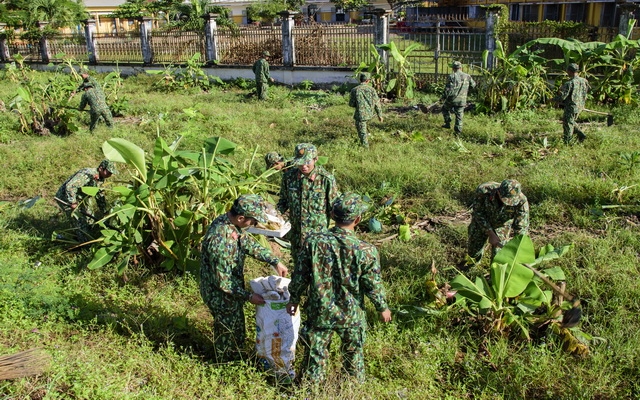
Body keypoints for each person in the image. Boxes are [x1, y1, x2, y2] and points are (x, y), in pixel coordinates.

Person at [286, 192, 392, 383]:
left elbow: (300, 275)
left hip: (320, 310)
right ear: (358, 219)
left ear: (333, 216)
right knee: (353, 358)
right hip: (351, 313)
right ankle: (352, 390)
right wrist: (382, 307)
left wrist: (293, 298)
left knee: (315, 357)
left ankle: (311, 392)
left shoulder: (313, 242)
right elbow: (372, 284)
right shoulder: (366, 250)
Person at [200, 194, 289, 362]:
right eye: (253, 221)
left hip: (230, 291)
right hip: (220, 295)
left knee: (238, 329)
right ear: (241, 218)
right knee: (228, 332)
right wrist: (249, 296)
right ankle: (226, 365)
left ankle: (235, 357)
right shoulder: (219, 241)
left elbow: (247, 243)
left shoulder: (231, 224)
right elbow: (223, 283)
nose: (255, 225)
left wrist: (274, 261)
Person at [277, 143, 340, 263]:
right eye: (300, 162)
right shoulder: (289, 177)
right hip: (296, 235)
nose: (304, 166)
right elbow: (283, 202)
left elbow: (334, 208)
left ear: (315, 159)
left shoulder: (326, 179)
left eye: (307, 162)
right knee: (298, 269)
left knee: (317, 270)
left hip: (317, 237)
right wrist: (274, 217)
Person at [467, 179, 530, 263]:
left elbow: (521, 226)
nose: (508, 204)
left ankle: (494, 274)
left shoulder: (521, 201)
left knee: (499, 256)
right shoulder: (484, 191)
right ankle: (474, 262)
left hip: (502, 224)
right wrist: (490, 233)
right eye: (506, 200)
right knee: (473, 252)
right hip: (482, 221)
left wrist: (519, 246)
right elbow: (478, 213)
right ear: (499, 192)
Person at [55, 160, 117, 241]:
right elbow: (70, 187)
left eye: (111, 173)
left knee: (90, 219)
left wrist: (104, 211)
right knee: (79, 221)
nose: (110, 175)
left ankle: (87, 234)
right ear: (101, 168)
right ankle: (82, 242)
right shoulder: (87, 174)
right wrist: (72, 202)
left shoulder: (101, 178)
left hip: (80, 198)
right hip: (66, 198)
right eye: (108, 172)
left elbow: (99, 195)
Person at [553, 63, 590, 144]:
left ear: (569, 71)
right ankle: (581, 135)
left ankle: (567, 141)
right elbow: (586, 92)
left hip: (571, 106)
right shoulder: (584, 81)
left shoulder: (569, 83)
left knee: (568, 124)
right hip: (580, 106)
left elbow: (562, 97)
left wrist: (552, 99)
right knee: (571, 121)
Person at [348, 72, 383, 148]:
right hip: (370, 114)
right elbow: (377, 103)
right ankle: (367, 139)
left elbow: (351, 104)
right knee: (365, 128)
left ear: (360, 80)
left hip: (360, 115)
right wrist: (379, 115)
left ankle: (365, 147)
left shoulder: (355, 90)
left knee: (362, 132)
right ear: (368, 80)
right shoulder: (372, 90)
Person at [441, 61, 476, 136]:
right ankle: (457, 133)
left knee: (444, 109)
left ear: (453, 68)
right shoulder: (468, 76)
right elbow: (473, 85)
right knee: (459, 116)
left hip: (451, 99)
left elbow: (448, 89)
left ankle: (447, 122)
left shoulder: (452, 76)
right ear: (461, 67)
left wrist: (443, 97)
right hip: (462, 100)